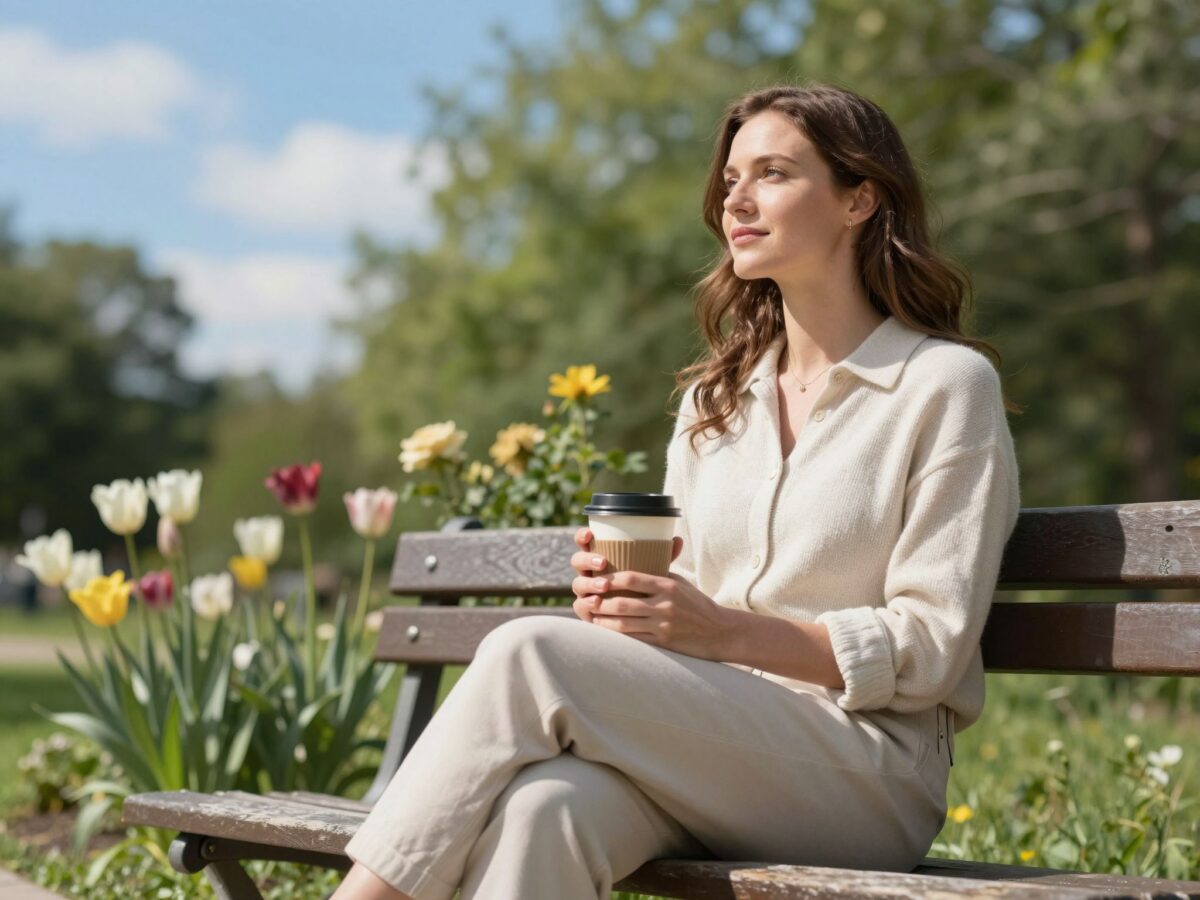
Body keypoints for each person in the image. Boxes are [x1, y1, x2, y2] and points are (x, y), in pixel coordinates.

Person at [332, 81, 1021, 900]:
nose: (739, 199)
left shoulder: (944, 387)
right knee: (545, 808)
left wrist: (723, 633)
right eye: (731, 180)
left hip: (866, 771)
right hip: (703, 743)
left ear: (859, 199)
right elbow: (685, 607)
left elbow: (932, 644)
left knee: (529, 650)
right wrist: (630, 609)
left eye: (773, 173)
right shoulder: (715, 402)